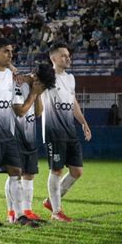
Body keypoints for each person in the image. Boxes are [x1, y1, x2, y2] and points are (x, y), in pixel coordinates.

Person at [0, 38, 38, 227]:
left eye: (11, 51)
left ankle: (19, 214)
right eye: (6, 51)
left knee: (16, 172)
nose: (10, 54)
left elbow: (17, 106)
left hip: (8, 134)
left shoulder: (11, 76)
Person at [42, 43, 92, 222]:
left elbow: (73, 102)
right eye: (63, 55)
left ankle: (50, 201)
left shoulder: (70, 78)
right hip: (54, 131)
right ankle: (56, 211)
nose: (67, 58)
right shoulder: (47, 77)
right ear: (53, 58)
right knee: (56, 170)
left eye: (68, 55)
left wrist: (84, 123)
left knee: (77, 171)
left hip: (70, 130)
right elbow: (31, 82)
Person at [6, 63, 56, 223]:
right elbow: (20, 111)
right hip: (15, 134)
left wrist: (38, 94)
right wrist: (34, 93)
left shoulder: (36, 89)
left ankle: (27, 211)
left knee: (30, 174)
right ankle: (12, 212)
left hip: (29, 135)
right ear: (35, 77)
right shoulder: (18, 83)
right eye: (42, 85)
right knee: (16, 173)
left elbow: (39, 112)